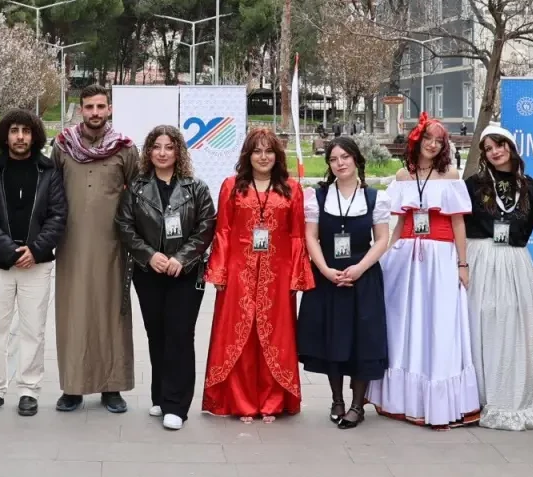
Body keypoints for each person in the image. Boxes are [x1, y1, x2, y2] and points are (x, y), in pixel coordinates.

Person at [368, 112, 481, 428]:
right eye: (428, 139)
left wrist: (462, 263)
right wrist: (387, 256)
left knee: (438, 324)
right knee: (405, 324)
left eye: (438, 141)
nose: (432, 145)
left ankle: (439, 401)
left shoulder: (451, 176)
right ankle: (403, 399)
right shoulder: (404, 177)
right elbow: (400, 223)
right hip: (408, 256)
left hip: (441, 258)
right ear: (416, 141)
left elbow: (458, 222)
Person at [203, 127, 313, 423]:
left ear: (277, 156)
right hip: (238, 273)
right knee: (240, 337)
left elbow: (296, 236)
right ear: (247, 155)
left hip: (278, 275)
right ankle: (242, 402)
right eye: (257, 151)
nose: (263, 157)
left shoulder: (291, 188)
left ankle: (273, 402)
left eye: (269, 151)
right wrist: (220, 273)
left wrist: (296, 278)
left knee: (275, 337)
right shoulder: (231, 186)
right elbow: (223, 232)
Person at [115, 125, 215, 431]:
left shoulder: (195, 187)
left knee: (180, 336)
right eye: (156, 147)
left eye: (169, 147)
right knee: (156, 335)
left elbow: (206, 226)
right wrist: (149, 255)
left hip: (185, 275)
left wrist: (180, 259)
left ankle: (177, 405)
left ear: (178, 152)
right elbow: (124, 226)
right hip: (149, 273)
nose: (162, 153)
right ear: (148, 152)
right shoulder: (136, 187)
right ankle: (160, 395)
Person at [0, 110, 67, 417]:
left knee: (32, 330)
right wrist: (9, 251)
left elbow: (58, 215)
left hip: (36, 265)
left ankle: (28, 389)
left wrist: (36, 250)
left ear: (34, 136)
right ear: (5, 135)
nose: (20, 137)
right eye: (14, 131)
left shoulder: (49, 172)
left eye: (26, 131)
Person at [51, 85, 139, 413]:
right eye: (89, 107)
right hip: (71, 245)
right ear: (80, 109)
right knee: (72, 314)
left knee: (111, 314)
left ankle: (112, 387)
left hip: (113, 247)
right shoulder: (62, 147)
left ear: (110, 109)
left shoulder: (125, 149)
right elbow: (51, 193)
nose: (95, 113)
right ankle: (73, 387)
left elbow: (138, 196)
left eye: (101, 106)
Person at [298, 137, 390, 430]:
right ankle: (336, 399)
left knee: (362, 340)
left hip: (363, 277)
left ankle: (356, 405)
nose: (340, 163)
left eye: (345, 157)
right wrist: (323, 269)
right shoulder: (318, 197)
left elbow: (383, 239)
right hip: (328, 277)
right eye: (334, 159)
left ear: (356, 160)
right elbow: (310, 236)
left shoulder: (375, 197)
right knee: (331, 337)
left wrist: (361, 268)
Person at [464, 123, 533, 431]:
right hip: (481, 258)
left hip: (514, 262)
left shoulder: (532, 188)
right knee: (482, 322)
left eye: (499, 144)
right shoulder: (473, 185)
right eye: (488, 148)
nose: (494, 152)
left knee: (513, 325)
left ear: (511, 147)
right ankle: (480, 394)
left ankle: (510, 391)